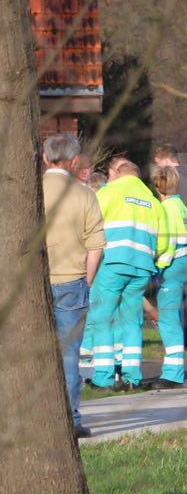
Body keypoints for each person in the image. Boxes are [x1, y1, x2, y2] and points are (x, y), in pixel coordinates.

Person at [41, 134, 104, 437]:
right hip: (71, 281)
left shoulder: (30, 192)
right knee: (69, 355)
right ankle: (71, 421)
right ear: (75, 161)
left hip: (34, 285)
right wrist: (87, 281)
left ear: (44, 159)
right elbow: (96, 248)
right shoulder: (84, 195)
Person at [84, 159, 165, 391]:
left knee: (102, 318)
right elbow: (161, 241)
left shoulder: (109, 192)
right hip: (141, 268)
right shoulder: (152, 201)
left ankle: (104, 377)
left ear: (117, 174)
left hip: (113, 264)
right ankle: (132, 377)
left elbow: (91, 226)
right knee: (131, 322)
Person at [153, 144, 187, 355]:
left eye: (159, 165)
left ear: (166, 161)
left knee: (173, 292)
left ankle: (176, 340)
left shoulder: (175, 183)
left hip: (176, 245)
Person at [150, 166, 187, 389]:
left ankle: (173, 373)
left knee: (167, 318)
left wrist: (157, 264)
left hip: (172, 263)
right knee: (170, 315)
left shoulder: (166, 207)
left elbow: (168, 241)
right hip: (183, 261)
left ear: (158, 186)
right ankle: (174, 370)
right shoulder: (180, 204)